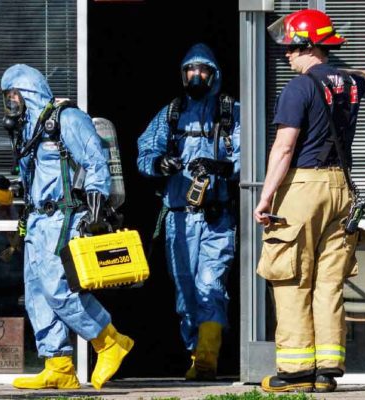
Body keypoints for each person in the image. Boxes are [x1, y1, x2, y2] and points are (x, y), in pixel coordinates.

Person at [255, 9, 365, 393]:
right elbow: (364, 79)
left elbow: (284, 148)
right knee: (329, 282)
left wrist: (265, 197)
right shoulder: (350, 84)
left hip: (304, 188)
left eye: (291, 47)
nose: (286, 55)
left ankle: (295, 371)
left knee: (290, 276)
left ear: (309, 46)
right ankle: (326, 370)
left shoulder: (298, 88)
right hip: (343, 191)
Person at [0, 64, 133, 390]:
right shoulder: (29, 128)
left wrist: (97, 207)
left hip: (62, 217)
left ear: (26, 91)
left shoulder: (66, 119)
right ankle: (58, 365)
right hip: (35, 221)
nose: (11, 102)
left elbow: (94, 160)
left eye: (13, 95)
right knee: (37, 294)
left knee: (59, 289)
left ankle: (109, 341)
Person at [137, 43, 240, 381]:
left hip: (215, 217)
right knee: (184, 290)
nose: (196, 76)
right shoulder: (171, 113)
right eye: (189, 71)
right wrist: (158, 163)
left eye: (203, 70)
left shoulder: (231, 113)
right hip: (178, 218)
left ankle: (208, 359)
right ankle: (194, 354)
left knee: (210, 283)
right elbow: (145, 151)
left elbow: (253, 156)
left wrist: (224, 166)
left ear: (215, 74)